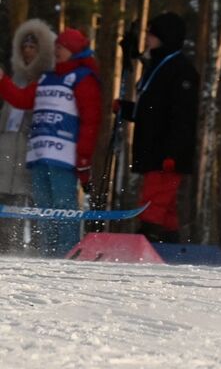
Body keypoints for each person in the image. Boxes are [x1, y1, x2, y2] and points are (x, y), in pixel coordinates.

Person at [0, 28, 100, 256]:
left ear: (73, 50)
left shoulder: (84, 78)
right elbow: (21, 99)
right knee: (45, 209)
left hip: (64, 157)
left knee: (64, 208)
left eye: (61, 47)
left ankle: (67, 253)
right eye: (56, 47)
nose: (56, 51)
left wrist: (84, 158)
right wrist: (3, 81)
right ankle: (49, 253)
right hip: (39, 155)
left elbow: (91, 121)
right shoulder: (47, 78)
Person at [117, 13, 200, 243]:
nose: (148, 39)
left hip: (167, 153)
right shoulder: (157, 66)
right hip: (152, 150)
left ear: (166, 37)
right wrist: (126, 109)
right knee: (166, 208)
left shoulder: (181, 70)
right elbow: (151, 111)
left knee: (153, 201)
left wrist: (174, 152)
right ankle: (171, 246)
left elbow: (183, 117)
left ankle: (146, 239)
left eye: (152, 35)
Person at [0, 19, 54, 252]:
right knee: (5, 201)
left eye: (33, 48)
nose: (28, 53)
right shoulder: (16, 79)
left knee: (27, 202)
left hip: (31, 149)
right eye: (25, 48)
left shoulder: (45, 81)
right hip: (6, 148)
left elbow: (24, 102)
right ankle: (5, 245)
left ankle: (33, 248)